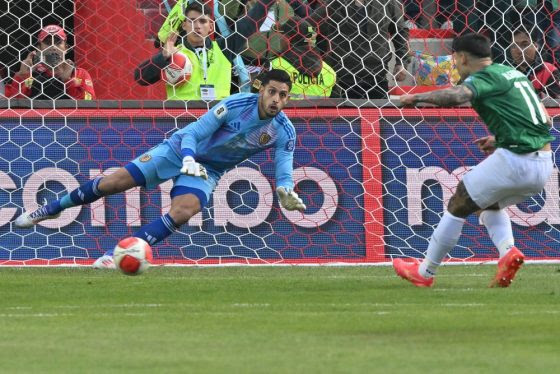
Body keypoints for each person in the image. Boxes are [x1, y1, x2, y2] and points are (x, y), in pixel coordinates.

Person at [14, 69, 306, 269]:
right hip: (178, 150)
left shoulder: (283, 130)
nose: (276, 100)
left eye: (283, 95)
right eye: (272, 92)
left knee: (185, 210)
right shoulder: (233, 104)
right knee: (113, 183)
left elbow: (283, 169)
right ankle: (51, 208)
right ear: (260, 90)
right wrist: (188, 157)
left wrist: (285, 189)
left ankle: (116, 254)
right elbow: (192, 133)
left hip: (209, 169)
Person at [395, 33, 554, 288]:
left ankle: (424, 272)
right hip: (543, 163)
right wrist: (500, 138)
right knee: (486, 204)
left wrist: (417, 97)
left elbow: (458, 96)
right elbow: (544, 119)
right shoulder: (512, 73)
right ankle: (507, 253)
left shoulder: (483, 78)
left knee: (459, 200)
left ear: (461, 57)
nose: (455, 65)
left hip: (516, 159)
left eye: (454, 59)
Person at [134, 0, 275, 100]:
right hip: (182, 120)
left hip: (217, 120)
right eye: (192, 21)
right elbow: (140, 78)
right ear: (184, 25)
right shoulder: (174, 53)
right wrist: (163, 57)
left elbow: (250, 23)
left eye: (202, 21)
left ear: (211, 27)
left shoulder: (224, 49)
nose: (197, 26)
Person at [316, 0, 410, 100]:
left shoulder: (386, 2)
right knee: (344, 114)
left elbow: (400, 32)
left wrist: (402, 62)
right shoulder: (333, 3)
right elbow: (311, 27)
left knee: (377, 113)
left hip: (377, 77)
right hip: (341, 79)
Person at [5, 24, 95, 100]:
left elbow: (89, 103)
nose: (53, 47)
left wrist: (68, 81)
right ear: (39, 49)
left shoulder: (79, 73)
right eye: (47, 43)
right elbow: (13, 106)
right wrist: (21, 76)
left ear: (66, 48)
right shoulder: (31, 76)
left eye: (58, 42)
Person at [269, 16, 336, 99]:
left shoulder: (274, 66)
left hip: (284, 111)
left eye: (282, 35)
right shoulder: (330, 72)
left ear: (288, 39)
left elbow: (257, 93)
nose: (280, 38)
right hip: (319, 111)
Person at [510, 28, 560, 99]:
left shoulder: (549, 71)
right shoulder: (507, 71)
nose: (519, 50)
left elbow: (556, 100)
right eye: (514, 46)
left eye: (525, 45)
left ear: (536, 46)